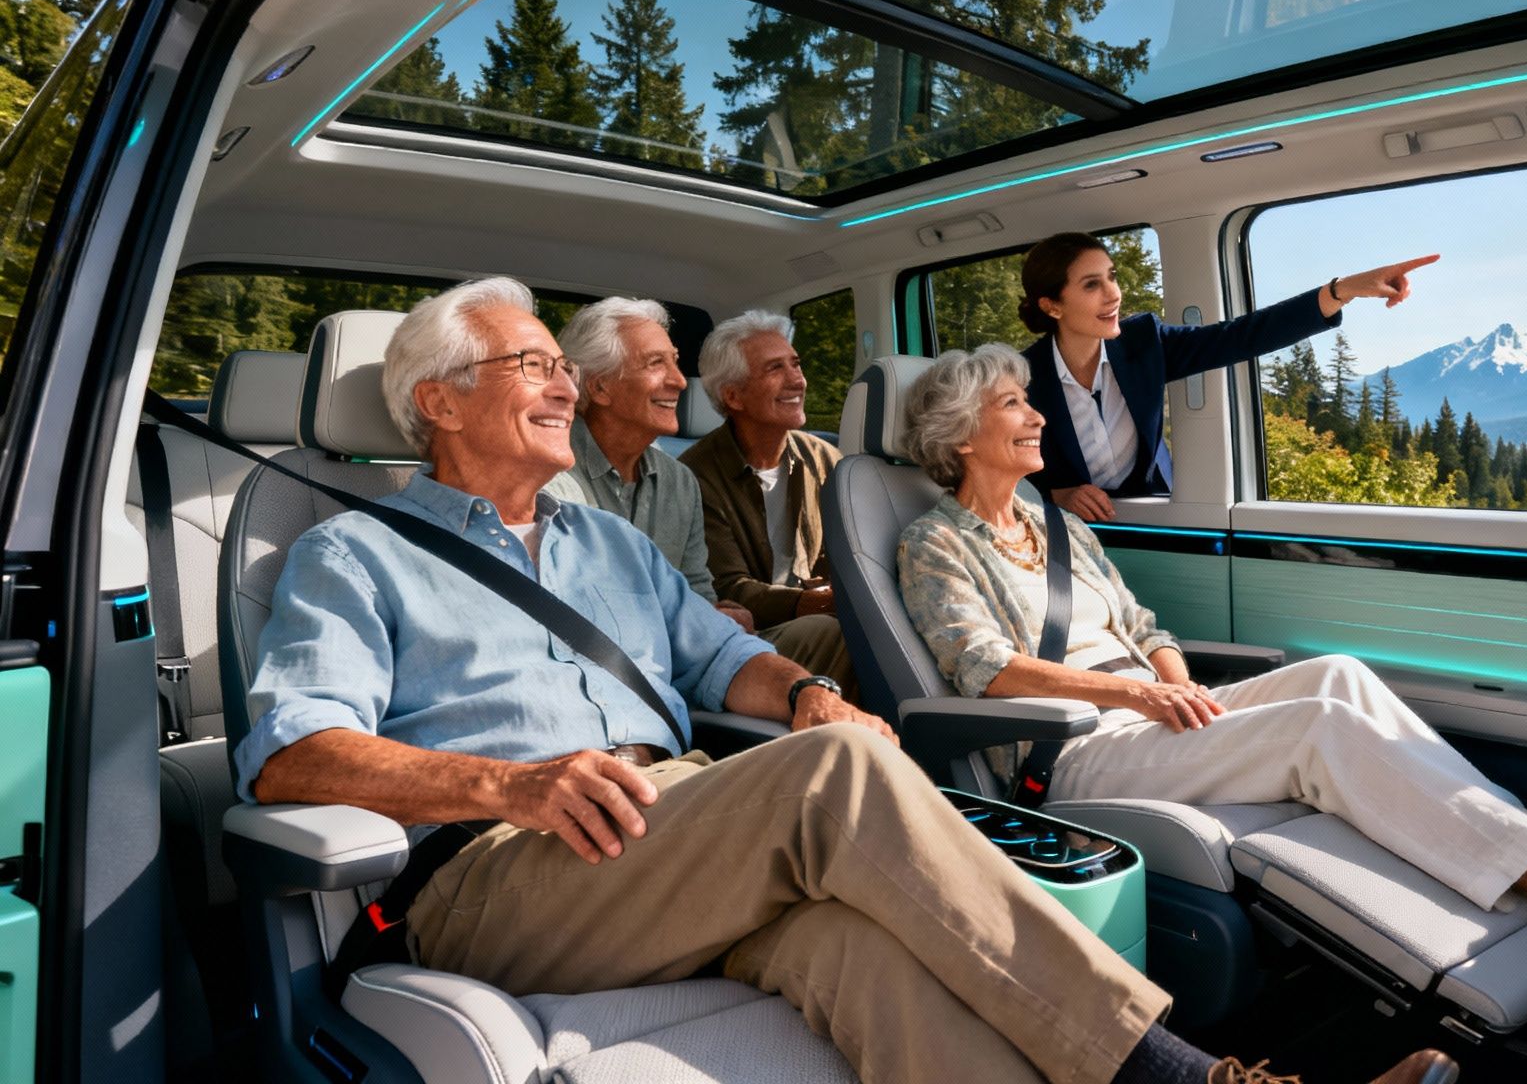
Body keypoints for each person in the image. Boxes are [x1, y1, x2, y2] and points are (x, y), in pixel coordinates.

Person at [234, 277, 1430, 1084]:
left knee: (847, 953)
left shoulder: (610, 543)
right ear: (437, 402)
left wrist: (801, 696)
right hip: (496, 882)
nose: (562, 382)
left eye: (562, 363)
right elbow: (291, 757)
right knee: (839, 777)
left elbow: (723, 660)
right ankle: (1188, 1079)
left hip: (666, 836)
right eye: (531, 364)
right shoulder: (355, 554)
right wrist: (510, 785)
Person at [896, 344, 1527, 1002]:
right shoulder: (933, 542)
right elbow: (981, 669)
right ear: (960, 434)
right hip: (1073, 753)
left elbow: (1141, 624)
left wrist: (1174, 675)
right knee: (1316, 731)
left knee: (1340, 675)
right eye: (1015, 404)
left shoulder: (1063, 527)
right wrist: (1140, 690)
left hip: (1152, 706)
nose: (1038, 415)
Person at [545, 296, 854, 695]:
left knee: (825, 656)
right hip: (606, 674)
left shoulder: (677, 482)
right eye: (657, 364)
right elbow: (574, 614)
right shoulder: (551, 478)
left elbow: (700, 595)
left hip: (686, 659)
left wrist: (718, 616)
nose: (679, 380)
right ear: (600, 386)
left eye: (675, 361)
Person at [1016, 231, 1438, 522]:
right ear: (1052, 305)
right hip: (1066, 530)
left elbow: (1240, 337)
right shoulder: (1022, 380)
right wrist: (1055, 495)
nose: (1113, 294)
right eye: (1092, 285)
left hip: (1158, 517)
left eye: (1112, 276)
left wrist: (1341, 290)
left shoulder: (1145, 342)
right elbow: (988, 472)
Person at [682, 312, 840, 629]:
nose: (798, 380)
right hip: (752, 635)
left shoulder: (824, 458)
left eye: (795, 364)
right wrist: (813, 603)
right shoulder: (693, 477)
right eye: (775, 368)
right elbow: (728, 587)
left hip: (821, 618)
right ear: (733, 396)